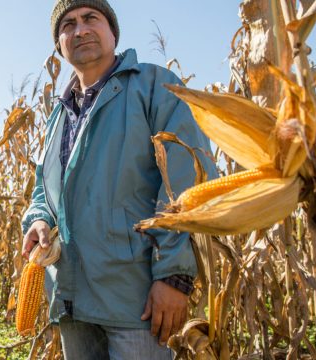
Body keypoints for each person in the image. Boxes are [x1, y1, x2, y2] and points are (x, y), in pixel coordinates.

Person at [21, 1, 218, 359]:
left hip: (135, 299)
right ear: (59, 45)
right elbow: (43, 189)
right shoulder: (58, 115)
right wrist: (39, 219)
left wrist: (174, 275)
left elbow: (187, 179)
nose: (79, 30)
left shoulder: (155, 86)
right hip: (71, 297)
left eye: (90, 18)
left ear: (113, 31)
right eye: (67, 25)